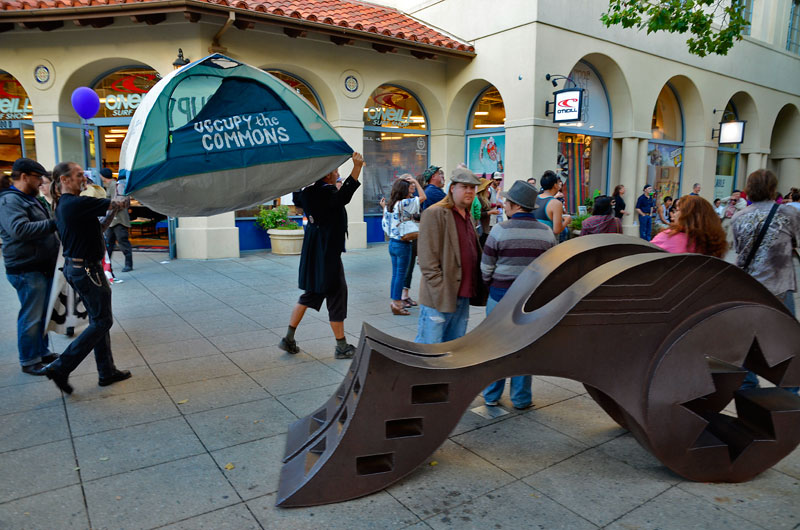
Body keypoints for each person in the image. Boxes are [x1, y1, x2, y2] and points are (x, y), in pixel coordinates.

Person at [43, 161, 131, 394]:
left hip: (82, 269)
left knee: (98, 321)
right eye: (79, 175)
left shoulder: (69, 204)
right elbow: (117, 201)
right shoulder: (75, 203)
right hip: (87, 271)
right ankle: (61, 366)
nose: (85, 178)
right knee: (103, 322)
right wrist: (124, 192)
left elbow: (100, 229)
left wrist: (114, 209)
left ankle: (106, 371)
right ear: (64, 180)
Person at [279, 153, 365, 359]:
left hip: (314, 251)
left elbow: (297, 196)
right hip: (328, 253)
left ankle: (289, 338)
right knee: (337, 295)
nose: (338, 173)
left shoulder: (309, 192)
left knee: (311, 293)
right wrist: (357, 167)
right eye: (335, 170)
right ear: (327, 176)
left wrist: (300, 177)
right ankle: (342, 346)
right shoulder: (326, 193)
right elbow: (343, 197)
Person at [481, 180, 556, 409]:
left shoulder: (499, 230)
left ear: (514, 205)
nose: (504, 204)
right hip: (531, 301)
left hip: (500, 298)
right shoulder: (546, 233)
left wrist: (490, 285)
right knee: (524, 348)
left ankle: (491, 395)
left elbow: (486, 269)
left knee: (495, 347)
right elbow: (552, 268)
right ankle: (521, 399)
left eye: (507, 201)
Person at [732, 170, 800, 394]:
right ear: (773, 189)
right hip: (779, 288)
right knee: (786, 344)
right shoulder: (788, 214)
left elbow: (738, 251)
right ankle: (789, 396)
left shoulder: (738, 217)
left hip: (748, 288)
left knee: (746, 342)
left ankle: (748, 388)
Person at [0, 158, 60, 375]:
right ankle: (29, 360)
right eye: (38, 178)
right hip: (26, 268)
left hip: (39, 266)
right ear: (24, 176)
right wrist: (55, 223)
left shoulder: (28, 198)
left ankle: (42, 352)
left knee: (42, 313)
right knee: (31, 315)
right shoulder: (9, 201)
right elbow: (19, 229)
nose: (40, 183)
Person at [415, 167, 486, 344]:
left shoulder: (468, 215)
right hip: (440, 296)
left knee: (453, 349)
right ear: (453, 188)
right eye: (465, 186)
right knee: (429, 351)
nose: (470, 191)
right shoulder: (435, 213)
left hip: (463, 295)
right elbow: (426, 259)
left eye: (473, 187)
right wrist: (439, 289)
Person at [381, 174, 426, 315]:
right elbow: (423, 197)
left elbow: (385, 224)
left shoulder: (390, 205)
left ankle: (395, 302)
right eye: (409, 187)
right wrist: (416, 182)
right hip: (402, 243)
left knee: (396, 275)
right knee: (400, 274)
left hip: (392, 243)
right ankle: (397, 305)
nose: (411, 188)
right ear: (403, 190)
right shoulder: (404, 203)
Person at [651, 195, 727, 257]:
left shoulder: (668, 236)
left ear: (687, 216)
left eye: (677, 210)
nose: (674, 215)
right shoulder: (713, 243)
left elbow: (646, 255)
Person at [100, 168, 133, 272]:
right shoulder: (111, 185)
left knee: (122, 242)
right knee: (108, 244)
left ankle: (128, 264)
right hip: (111, 220)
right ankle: (107, 266)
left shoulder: (115, 185)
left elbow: (117, 202)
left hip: (118, 219)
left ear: (103, 176)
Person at [534, 171, 572, 236]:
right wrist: (567, 221)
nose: (560, 184)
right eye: (558, 183)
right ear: (555, 185)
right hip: (546, 240)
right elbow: (556, 230)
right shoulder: (555, 203)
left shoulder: (534, 198)